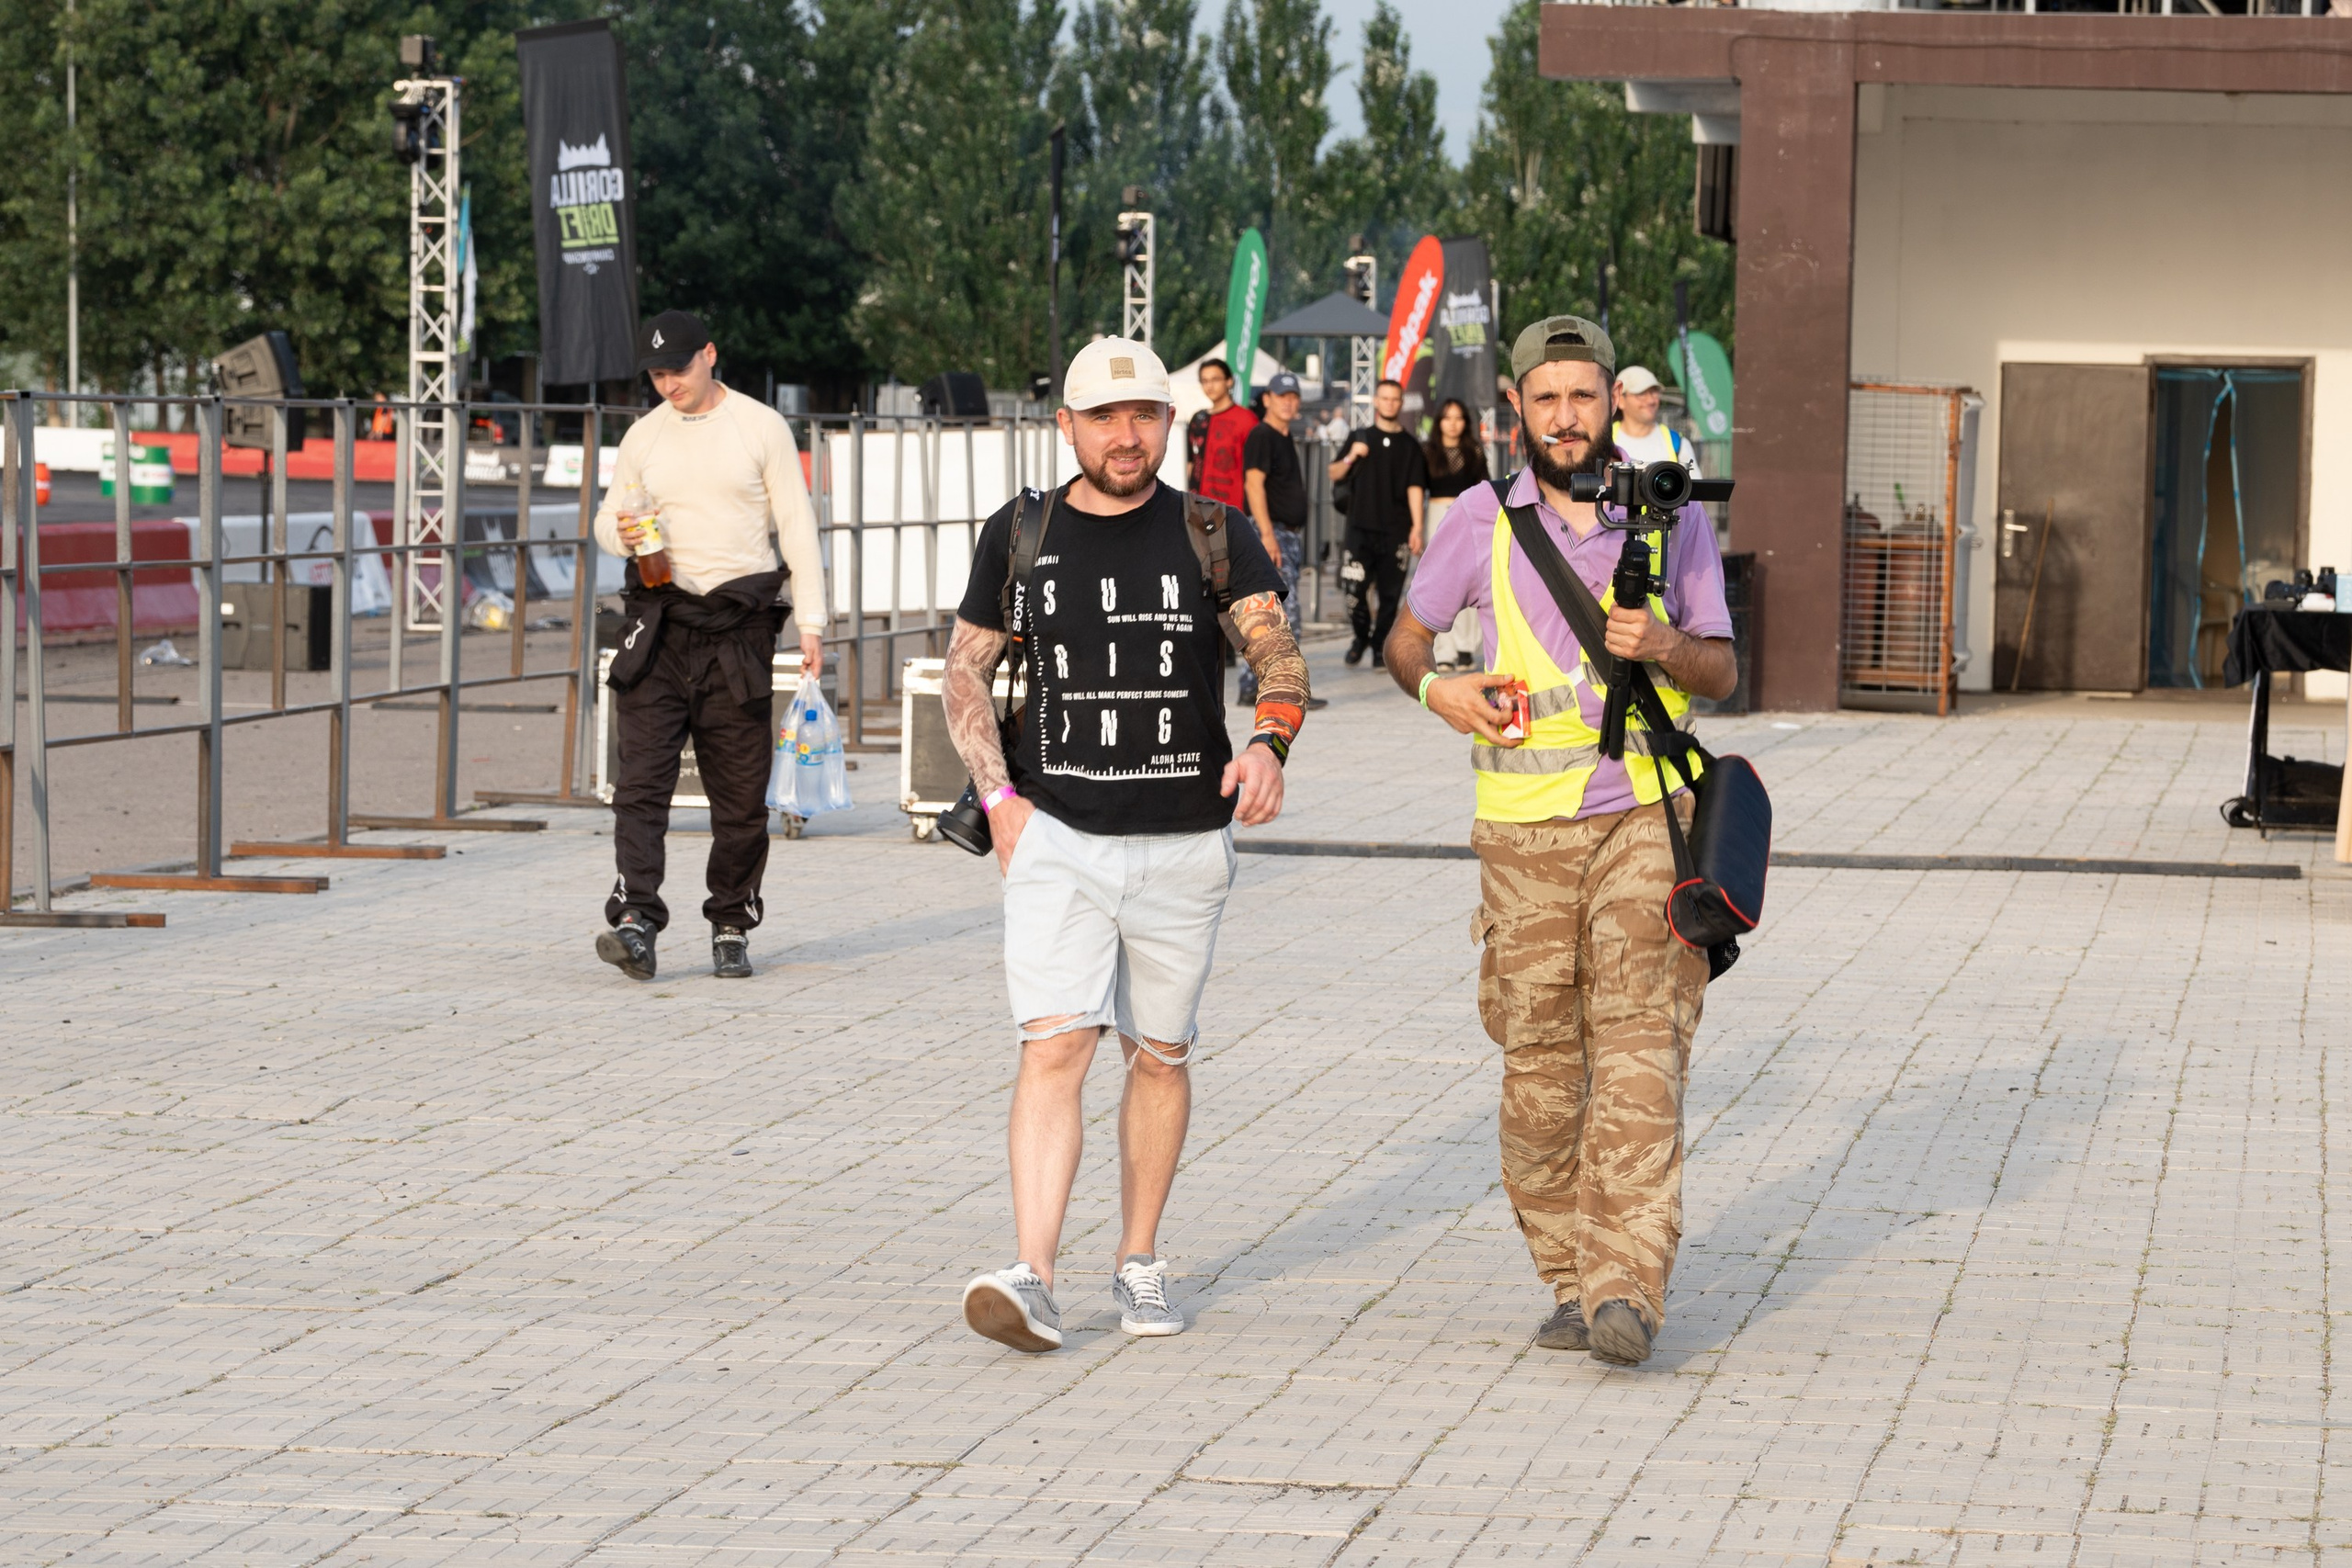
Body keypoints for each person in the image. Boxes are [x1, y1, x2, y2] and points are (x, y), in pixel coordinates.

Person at [944, 336, 1310, 1353]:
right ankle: (1033, 1274)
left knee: (1159, 1054)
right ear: (1066, 427)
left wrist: (1271, 744)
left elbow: (1276, 650)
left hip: (1186, 842)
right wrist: (999, 798)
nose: (1124, 435)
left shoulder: (1212, 531)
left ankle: (1138, 1261)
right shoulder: (1023, 531)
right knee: (1055, 1043)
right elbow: (964, 671)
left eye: (1143, 416)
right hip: (1057, 831)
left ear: (1168, 423)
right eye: (1102, 418)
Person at [1382, 316, 1736, 1368]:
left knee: (1637, 1052)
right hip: (1521, 839)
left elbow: (1718, 669)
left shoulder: (1670, 517)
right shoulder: (1480, 519)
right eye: (1547, 399)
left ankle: (1625, 1287)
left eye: (1584, 396)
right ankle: (1572, 1279)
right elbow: (1406, 637)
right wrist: (1438, 685)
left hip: (1643, 816)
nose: (1567, 417)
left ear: (1614, 403)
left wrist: (1666, 643)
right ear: (1518, 412)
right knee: (1538, 1080)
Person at [591, 310, 828, 983]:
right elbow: (609, 520)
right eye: (657, 374)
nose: (669, 384)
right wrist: (627, 533)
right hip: (661, 620)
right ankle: (636, 918)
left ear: (710, 355)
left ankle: (730, 919)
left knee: (740, 793)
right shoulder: (643, 436)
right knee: (640, 781)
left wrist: (811, 622)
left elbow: (796, 526)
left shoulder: (760, 426)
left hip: (738, 627)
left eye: (678, 369)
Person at [1238, 371, 1325, 712]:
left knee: (1272, 614)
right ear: (1267, 400)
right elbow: (1253, 485)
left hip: (1285, 533)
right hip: (1271, 532)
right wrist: (1268, 535)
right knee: (1284, 615)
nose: (1289, 402)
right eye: (1282, 396)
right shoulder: (1263, 435)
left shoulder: (1283, 436)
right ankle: (1282, 689)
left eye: (1293, 396)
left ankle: (1257, 686)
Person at [1328, 378, 1427, 667]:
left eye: (1395, 399)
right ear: (1375, 401)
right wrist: (1350, 457)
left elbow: (1415, 487)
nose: (1390, 404)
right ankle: (1360, 637)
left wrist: (1416, 528)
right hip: (1359, 527)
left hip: (1396, 530)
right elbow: (1333, 473)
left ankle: (1380, 645)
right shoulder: (1360, 437)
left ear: (1400, 402)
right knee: (1353, 590)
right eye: (1384, 398)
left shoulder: (1410, 445)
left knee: (1390, 594)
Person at [1421, 398, 1491, 670]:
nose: (1453, 423)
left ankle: (1465, 647)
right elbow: (1417, 487)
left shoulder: (1473, 450)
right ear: (1439, 422)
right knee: (1439, 583)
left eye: (1458, 417)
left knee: (1470, 582)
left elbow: (1484, 484)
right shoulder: (1428, 451)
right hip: (1437, 514)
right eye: (1447, 418)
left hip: (1467, 515)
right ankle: (1443, 649)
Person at [1184, 358, 1258, 511]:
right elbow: (1191, 463)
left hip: (1234, 508)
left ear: (1229, 381)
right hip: (1200, 506)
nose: (1209, 385)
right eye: (1204, 381)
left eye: (1215, 379)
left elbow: (1255, 470)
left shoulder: (1247, 419)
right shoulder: (1198, 419)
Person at [1611, 366, 1700, 474]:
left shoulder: (1678, 444)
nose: (1651, 400)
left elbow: (1697, 490)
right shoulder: (1604, 441)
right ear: (1620, 400)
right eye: (1641, 393)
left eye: (1654, 392)